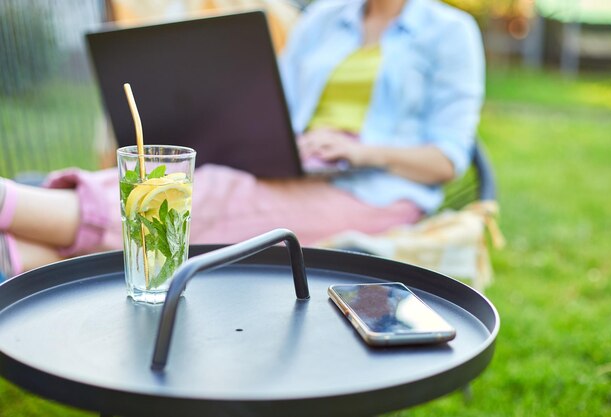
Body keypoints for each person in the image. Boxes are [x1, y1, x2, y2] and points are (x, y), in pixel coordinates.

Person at [0, 0, 484, 280]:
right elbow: (278, 103)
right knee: (192, 180)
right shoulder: (323, 18)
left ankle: (13, 208)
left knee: (195, 194)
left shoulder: (450, 33)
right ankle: (14, 248)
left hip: (377, 191)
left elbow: (447, 159)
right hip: (298, 166)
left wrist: (362, 151)